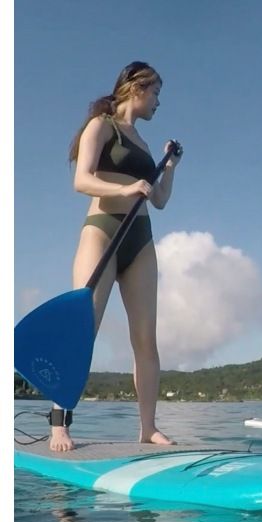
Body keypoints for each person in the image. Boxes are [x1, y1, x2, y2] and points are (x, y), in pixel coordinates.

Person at [49, 61, 183, 451]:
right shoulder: (101, 125)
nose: (158, 102)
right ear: (136, 87)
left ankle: (147, 427)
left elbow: (158, 200)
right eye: (155, 92)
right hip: (103, 230)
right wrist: (126, 190)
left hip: (139, 238)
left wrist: (169, 168)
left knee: (145, 338)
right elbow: (81, 180)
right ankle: (59, 422)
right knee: (83, 328)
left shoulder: (142, 144)